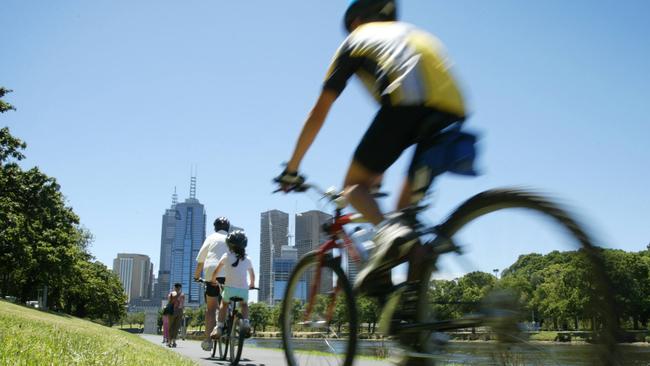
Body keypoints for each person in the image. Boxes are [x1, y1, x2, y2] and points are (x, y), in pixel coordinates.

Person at [276, 1, 469, 362]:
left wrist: (293, 167)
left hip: (408, 101)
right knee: (403, 219)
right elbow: (390, 145)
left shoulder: (356, 39)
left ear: (358, 21)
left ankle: (395, 243)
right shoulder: (408, 33)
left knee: (354, 189)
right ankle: (414, 329)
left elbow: (320, 111)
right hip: (452, 107)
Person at [210, 230, 255, 339]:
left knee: (224, 304)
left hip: (229, 289)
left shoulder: (226, 256)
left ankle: (219, 327)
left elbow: (216, 271)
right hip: (243, 290)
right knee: (244, 305)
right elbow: (252, 275)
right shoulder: (247, 259)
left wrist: (213, 280)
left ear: (229, 245)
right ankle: (246, 322)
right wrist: (252, 284)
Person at [194, 216, 230, 351]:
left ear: (215, 227)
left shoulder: (211, 238)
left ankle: (208, 340)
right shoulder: (232, 238)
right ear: (228, 228)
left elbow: (201, 260)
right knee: (228, 300)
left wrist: (196, 277)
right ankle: (231, 328)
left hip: (212, 273)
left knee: (210, 308)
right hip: (229, 273)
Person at [167, 283, 185, 348]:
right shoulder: (182, 295)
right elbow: (183, 305)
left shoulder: (171, 294)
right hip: (179, 311)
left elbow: (169, 303)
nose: (177, 289)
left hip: (172, 311)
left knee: (171, 327)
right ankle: (173, 341)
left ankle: (170, 341)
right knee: (176, 327)